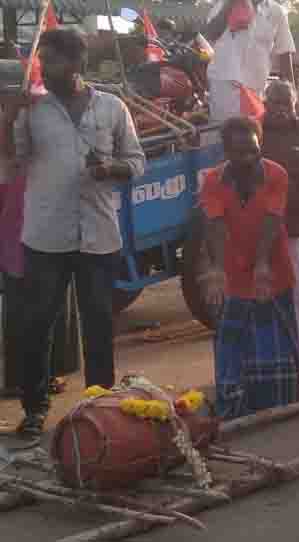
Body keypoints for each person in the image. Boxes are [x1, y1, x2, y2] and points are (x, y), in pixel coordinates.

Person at [7, 29, 145, 438]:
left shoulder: (112, 108)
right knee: (36, 324)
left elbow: (136, 162)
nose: (42, 71)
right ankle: (34, 410)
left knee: (99, 325)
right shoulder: (32, 111)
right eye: (41, 62)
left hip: (98, 236)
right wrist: (8, 115)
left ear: (76, 65)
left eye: (50, 62)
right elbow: (10, 161)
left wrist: (108, 170)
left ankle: (100, 410)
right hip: (45, 236)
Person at [201, 117, 299, 419]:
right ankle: (233, 406)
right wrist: (217, 269)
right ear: (226, 152)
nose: (247, 158)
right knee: (232, 345)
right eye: (239, 152)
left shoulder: (276, 174)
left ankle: (279, 406)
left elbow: (273, 220)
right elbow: (215, 224)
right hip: (232, 276)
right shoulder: (212, 180)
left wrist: (261, 265)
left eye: (252, 152)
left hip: (274, 272)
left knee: (276, 346)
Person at [259, 80, 299, 388]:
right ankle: (271, 362)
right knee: (266, 298)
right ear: (264, 105)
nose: (280, 109)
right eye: (273, 104)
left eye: (285, 103)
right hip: (261, 233)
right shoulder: (254, 132)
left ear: (296, 103)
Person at [204, 0, 296, 123]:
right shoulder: (223, 5)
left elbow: (285, 52)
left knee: (252, 137)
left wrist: (293, 97)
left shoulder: (276, 12)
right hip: (224, 88)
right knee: (222, 134)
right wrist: (230, 5)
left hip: (255, 91)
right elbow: (210, 34)